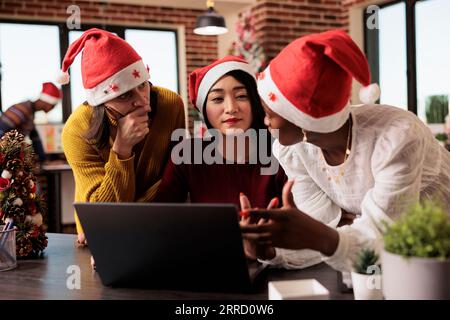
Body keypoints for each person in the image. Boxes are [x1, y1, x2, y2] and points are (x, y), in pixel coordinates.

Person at [240, 29, 450, 272]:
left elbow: (379, 238)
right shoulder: (295, 150)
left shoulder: (396, 137)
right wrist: (272, 250)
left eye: (269, 114)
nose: (264, 122)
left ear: (302, 120)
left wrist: (333, 232)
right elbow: (323, 230)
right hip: (392, 262)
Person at [60, 29, 185, 244]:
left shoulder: (170, 104)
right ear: (102, 101)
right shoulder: (76, 129)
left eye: (142, 85)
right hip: (101, 235)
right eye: (125, 95)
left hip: (157, 225)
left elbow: (173, 181)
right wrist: (122, 149)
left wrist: (124, 220)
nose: (142, 101)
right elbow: (102, 212)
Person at [154, 56, 287, 259]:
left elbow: (301, 227)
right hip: (206, 264)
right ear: (204, 110)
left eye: (241, 96)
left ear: (255, 101)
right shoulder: (187, 155)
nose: (231, 107)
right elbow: (158, 220)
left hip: (275, 266)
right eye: (217, 99)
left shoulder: (283, 154)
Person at [0, 82, 62, 161]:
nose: (52, 108)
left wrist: (43, 159)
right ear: (48, 103)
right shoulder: (23, 109)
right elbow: (2, 130)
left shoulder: (30, 112)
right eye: (53, 106)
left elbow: (35, 137)